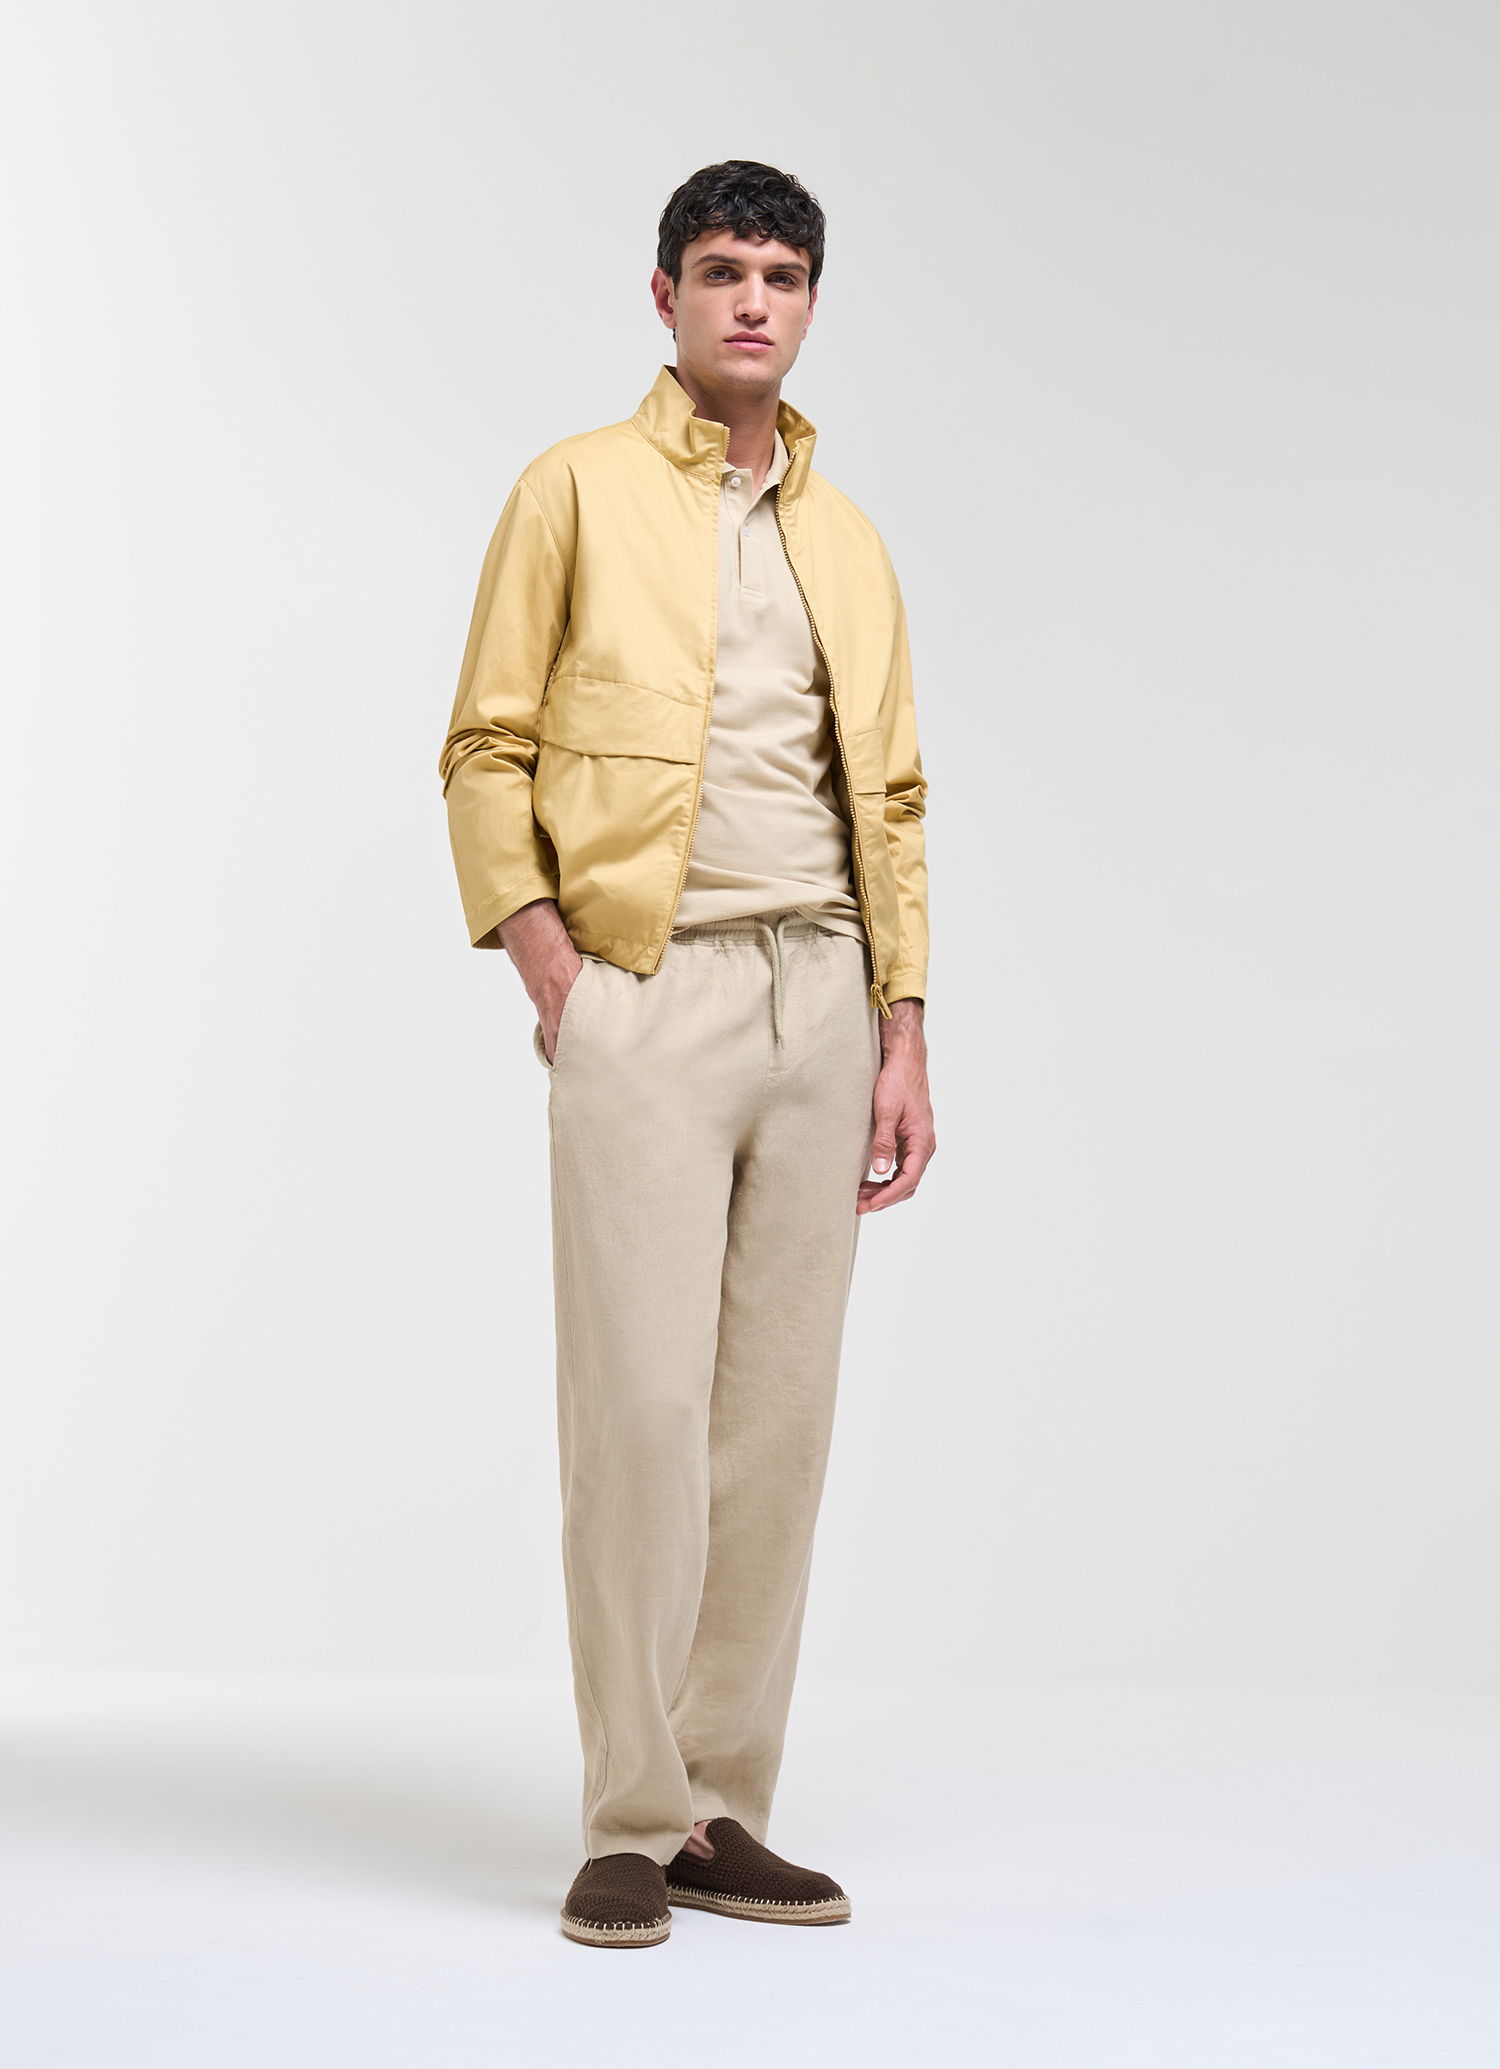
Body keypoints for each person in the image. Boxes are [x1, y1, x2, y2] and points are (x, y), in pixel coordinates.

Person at [439, 161, 934, 1948]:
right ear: (664, 296)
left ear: (810, 306)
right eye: (722, 271)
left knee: (772, 1431)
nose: (752, 302)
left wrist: (902, 1025)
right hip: (645, 991)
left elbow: (890, 794)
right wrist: (555, 967)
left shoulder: (847, 536)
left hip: (824, 998)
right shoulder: (571, 487)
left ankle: (723, 1806)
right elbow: (484, 744)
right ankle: (631, 1813)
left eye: (782, 276)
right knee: (642, 1416)